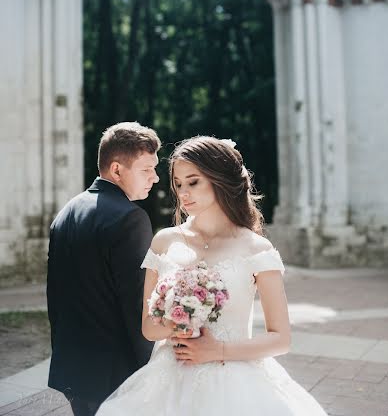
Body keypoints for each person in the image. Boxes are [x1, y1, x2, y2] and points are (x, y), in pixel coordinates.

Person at [96, 135, 327, 416]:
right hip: (170, 378)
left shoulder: (256, 248)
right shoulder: (164, 242)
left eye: (193, 182)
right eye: (178, 184)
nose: (183, 193)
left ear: (219, 180)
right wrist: (181, 318)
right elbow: (149, 328)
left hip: (237, 380)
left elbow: (281, 339)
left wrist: (216, 350)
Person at [47, 122, 161, 416]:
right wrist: (152, 370)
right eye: (146, 169)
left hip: (73, 370)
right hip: (116, 375)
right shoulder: (130, 219)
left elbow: (55, 298)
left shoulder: (66, 212)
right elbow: (137, 304)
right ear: (117, 170)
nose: (155, 178)